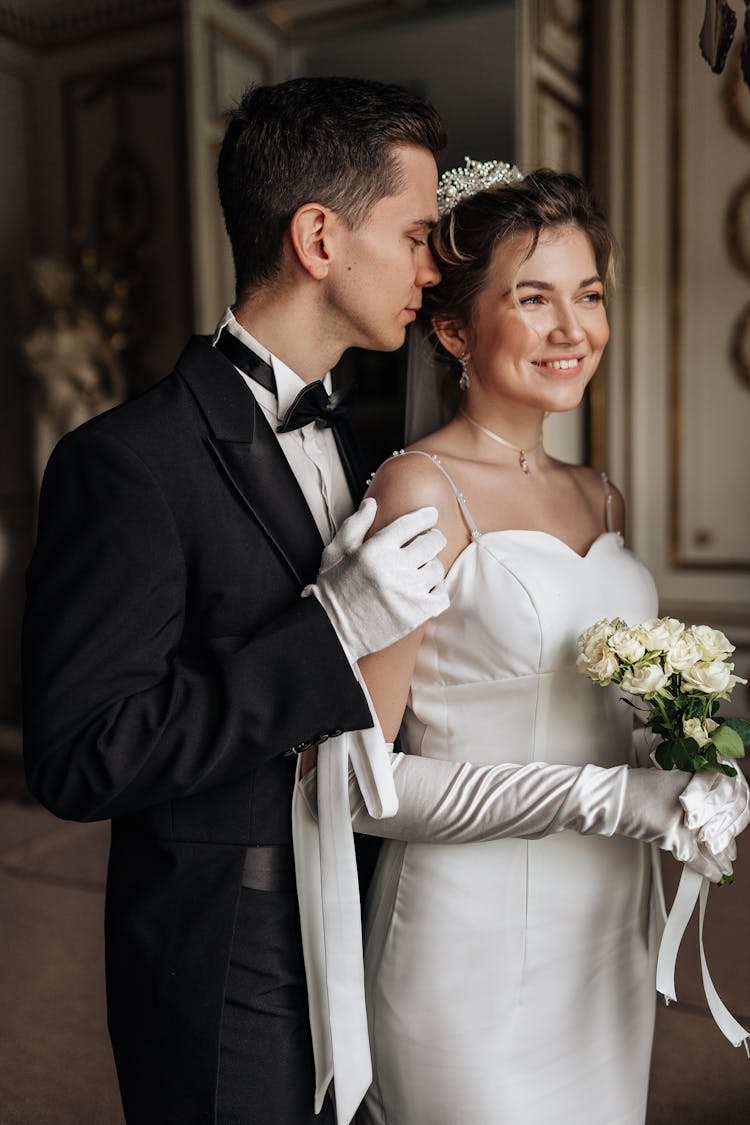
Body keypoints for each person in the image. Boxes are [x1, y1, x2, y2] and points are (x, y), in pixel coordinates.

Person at [20, 76, 452, 1125]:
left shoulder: (356, 450)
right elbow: (82, 756)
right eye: (417, 236)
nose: (433, 271)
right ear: (318, 238)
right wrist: (329, 630)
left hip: (362, 910)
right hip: (226, 952)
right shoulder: (123, 462)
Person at [297, 162, 750, 1124]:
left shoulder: (600, 494)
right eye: (533, 298)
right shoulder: (417, 493)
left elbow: (591, 715)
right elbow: (360, 784)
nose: (572, 329)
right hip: (470, 944)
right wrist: (608, 795)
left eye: (588, 296)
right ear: (454, 330)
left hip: (607, 936)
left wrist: (690, 768)